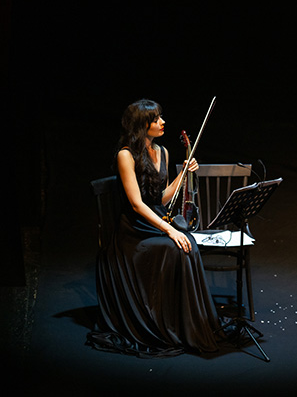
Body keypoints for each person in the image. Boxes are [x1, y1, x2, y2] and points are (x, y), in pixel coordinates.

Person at [87, 99, 222, 357]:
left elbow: (161, 199)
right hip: (133, 231)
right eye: (156, 119)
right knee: (174, 247)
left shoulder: (163, 152)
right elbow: (137, 204)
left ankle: (185, 324)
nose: (163, 122)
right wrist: (170, 230)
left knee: (189, 245)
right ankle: (167, 325)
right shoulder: (125, 155)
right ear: (142, 124)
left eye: (161, 117)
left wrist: (183, 173)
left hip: (155, 220)